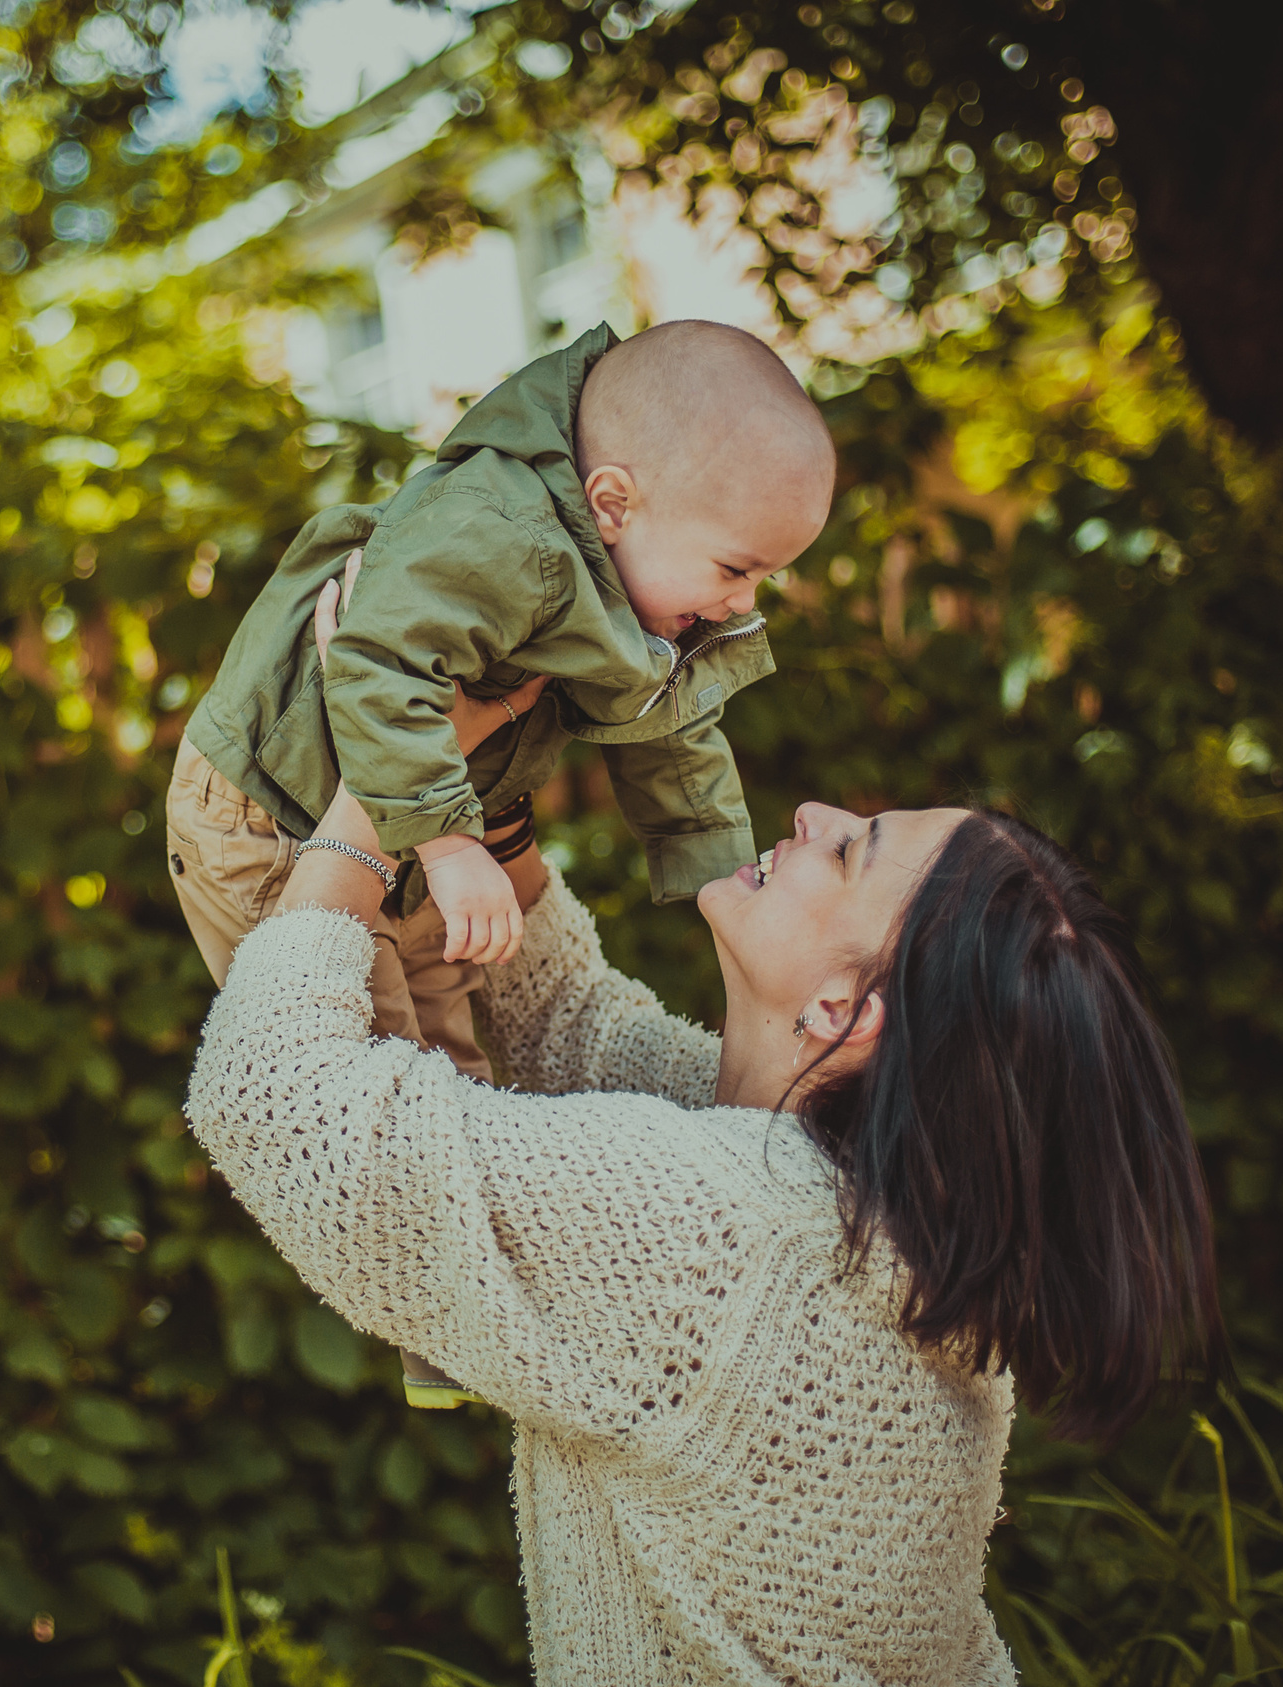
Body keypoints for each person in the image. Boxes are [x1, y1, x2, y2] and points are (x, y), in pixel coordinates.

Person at [183, 579, 1224, 1687]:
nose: (816, 817)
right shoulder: (850, 1199)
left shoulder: (730, 1234)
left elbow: (274, 1096)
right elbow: (575, 1030)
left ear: (842, 1012)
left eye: (850, 854)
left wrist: (373, 790)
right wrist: (473, 784)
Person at [170, 320, 836, 1405]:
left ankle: (463, 1317)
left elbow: (672, 723)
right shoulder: (495, 534)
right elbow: (374, 664)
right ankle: (448, 1312)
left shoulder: (622, 573)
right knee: (371, 1054)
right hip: (270, 805)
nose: (744, 601)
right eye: (736, 567)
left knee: (450, 1038)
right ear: (612, 501)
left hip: (417, 806)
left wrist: (719, 872)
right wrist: (449, 840)